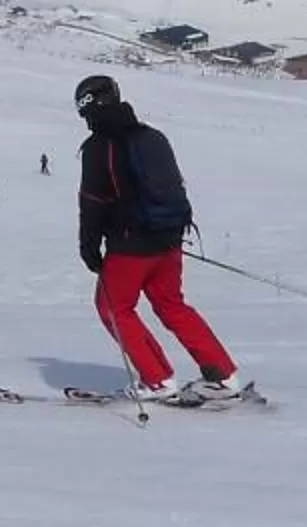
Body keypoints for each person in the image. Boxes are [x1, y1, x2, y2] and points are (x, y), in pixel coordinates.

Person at [75, 75, 245, 403]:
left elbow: (93, 201)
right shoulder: (151, 136)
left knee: (113, 307)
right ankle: (223, 376)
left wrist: (89, 246)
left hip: (130, 245)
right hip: (168, 240)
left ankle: (157, 380)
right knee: (171, 305)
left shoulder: (99, 147)